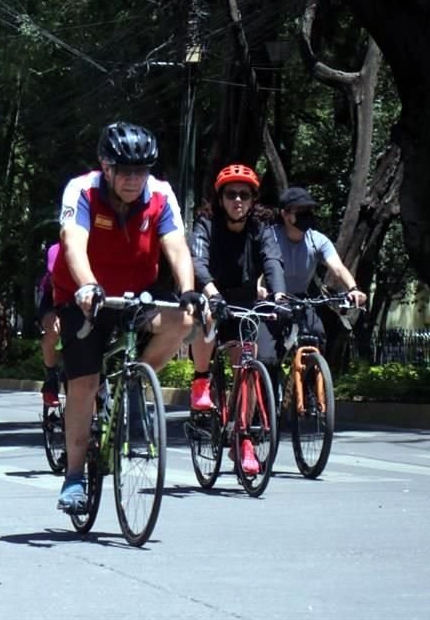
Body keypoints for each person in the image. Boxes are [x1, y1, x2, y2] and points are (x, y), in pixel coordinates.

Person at [52, 121, 204, 514]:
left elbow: (175, 245)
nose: (135, 180)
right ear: (106, 166)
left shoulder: (160, 194)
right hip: (83, 298)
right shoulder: (81, 189)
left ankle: (135, 379)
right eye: (126, 171)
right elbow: (73, 242)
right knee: (83, 385)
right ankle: (72, 477)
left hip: (137, 296)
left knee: (183, 322)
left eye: (142, 171)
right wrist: (87, 286)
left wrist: (188, 289)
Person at [188, 163, 286, 476]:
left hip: (243, 298)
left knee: (249, 365)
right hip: (211, 290)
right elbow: (197, 261)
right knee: (205, 318)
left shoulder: (261, 227)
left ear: (253, 199)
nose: (238, 200)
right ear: (220, 198)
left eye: (245, 194)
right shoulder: (206, 223)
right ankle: (201, 380)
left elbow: (272, 260)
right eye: (231, 194)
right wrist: (211, 292)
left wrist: (279, 295)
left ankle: (243, 439)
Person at [264, 186, 368, 341]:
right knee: (268, 357)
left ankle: (315, 363)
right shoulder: (270, 237)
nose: (307, 216)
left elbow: (338, 268)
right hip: (271, 300)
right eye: (300, 211)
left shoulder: (318, 240)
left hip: (301, 299)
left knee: (317, 336)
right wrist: (259, 288)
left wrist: (353, 289)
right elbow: (260, 267)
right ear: (284, 214)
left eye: (309, 211)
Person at [37, 242, 62, 408]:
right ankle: (51, 377)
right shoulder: (56, 250)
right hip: (53, 297)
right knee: (54, 328)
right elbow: (55, 280)